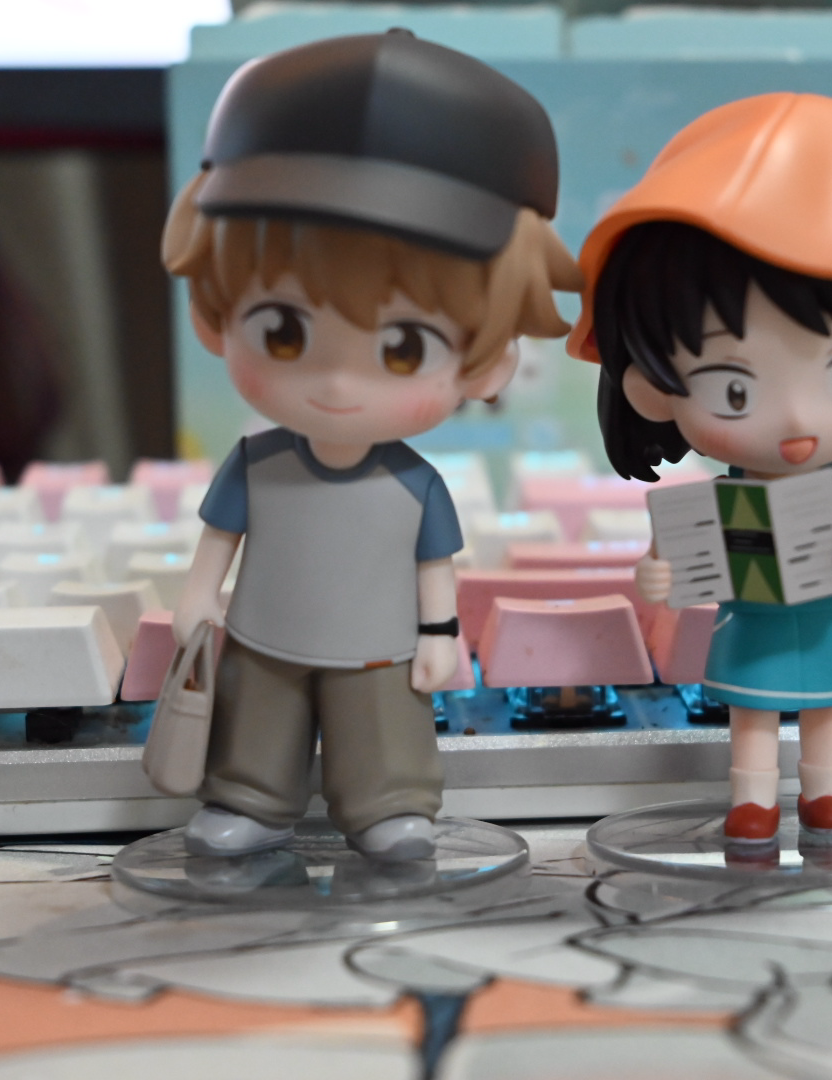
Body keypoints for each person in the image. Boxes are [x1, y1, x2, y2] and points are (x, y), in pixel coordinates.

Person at [161, 31, 580, 860]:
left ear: (490, 361)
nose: (337, 385)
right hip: (264, 635)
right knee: (258, 719)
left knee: (383, 729)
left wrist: (439, 636)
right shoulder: (257, 465)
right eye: (283, 331)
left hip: (381, 648)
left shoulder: (415, 485)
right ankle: (250, 798)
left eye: (402, 348)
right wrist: (199, 595)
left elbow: (434, 567)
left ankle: (391, 806)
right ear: (214, 314)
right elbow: (219, 540)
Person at [569, 93, 832, 845]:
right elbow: (670, 562)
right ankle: (752, 802)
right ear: (652, 387)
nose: (795, 419)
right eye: (735, 389)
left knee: (828, 717)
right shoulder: (714, 502)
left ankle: (827, 794)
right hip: (750, 631)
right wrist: (657, 575)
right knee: (752, 717)